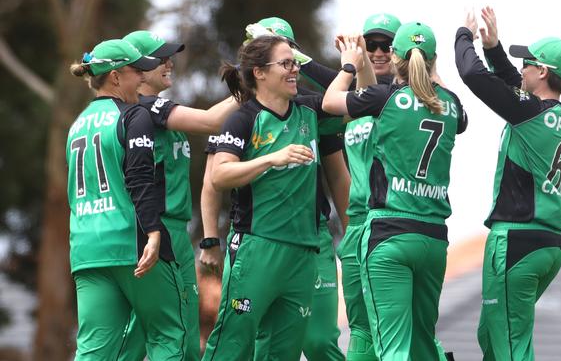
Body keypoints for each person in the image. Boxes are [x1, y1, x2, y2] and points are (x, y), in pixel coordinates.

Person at [323, 22, 468, 360]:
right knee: (422, 343)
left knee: (393, 349)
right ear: (431, 60)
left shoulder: (385, 97)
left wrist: (349, 63)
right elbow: (458, 114)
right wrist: (432, 68)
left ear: (396, 59)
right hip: (433, 238)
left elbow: (330, 102)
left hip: (389, 232)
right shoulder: (451, 106)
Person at [201, 35, 339, 361]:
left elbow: (358, 99)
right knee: (232, 346)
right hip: (257, 249)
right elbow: (219, 176)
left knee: (283, 353)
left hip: (303, 255)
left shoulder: (310, 109)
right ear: (259, 73)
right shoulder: (243, 118)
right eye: (287, 63)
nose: (295, 71)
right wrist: (271, 159)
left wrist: (350, 64)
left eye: (297, 63)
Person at [455, 7, 561, 361]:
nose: (521, 68)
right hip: (547, 241)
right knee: (492, 336)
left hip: (517, 239)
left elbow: (473, 76)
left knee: (509, 346)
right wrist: (494, 47)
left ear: (542, 71)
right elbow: (513, 85)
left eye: (528, 64)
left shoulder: (529, 112)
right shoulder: (556, 112)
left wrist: (464, 36)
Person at [114, 30, 239, 361]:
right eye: (160, 58)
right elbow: (212, 120)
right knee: (170, 336)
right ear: (138, 68)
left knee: (165, 334)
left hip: (175, 232)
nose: (169, 62)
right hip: (159, 231)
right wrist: (251, 80)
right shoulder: (144, 107)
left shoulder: (159, 108)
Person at [67, 39, 185, 360]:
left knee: (93, 349)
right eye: (137, 72)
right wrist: (154, 231)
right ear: (116, 77)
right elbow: (139, 178)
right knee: (167, 334)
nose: (142, 79)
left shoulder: (76, 126)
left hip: (86, 250)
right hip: (131, 245)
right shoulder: (134, 116)